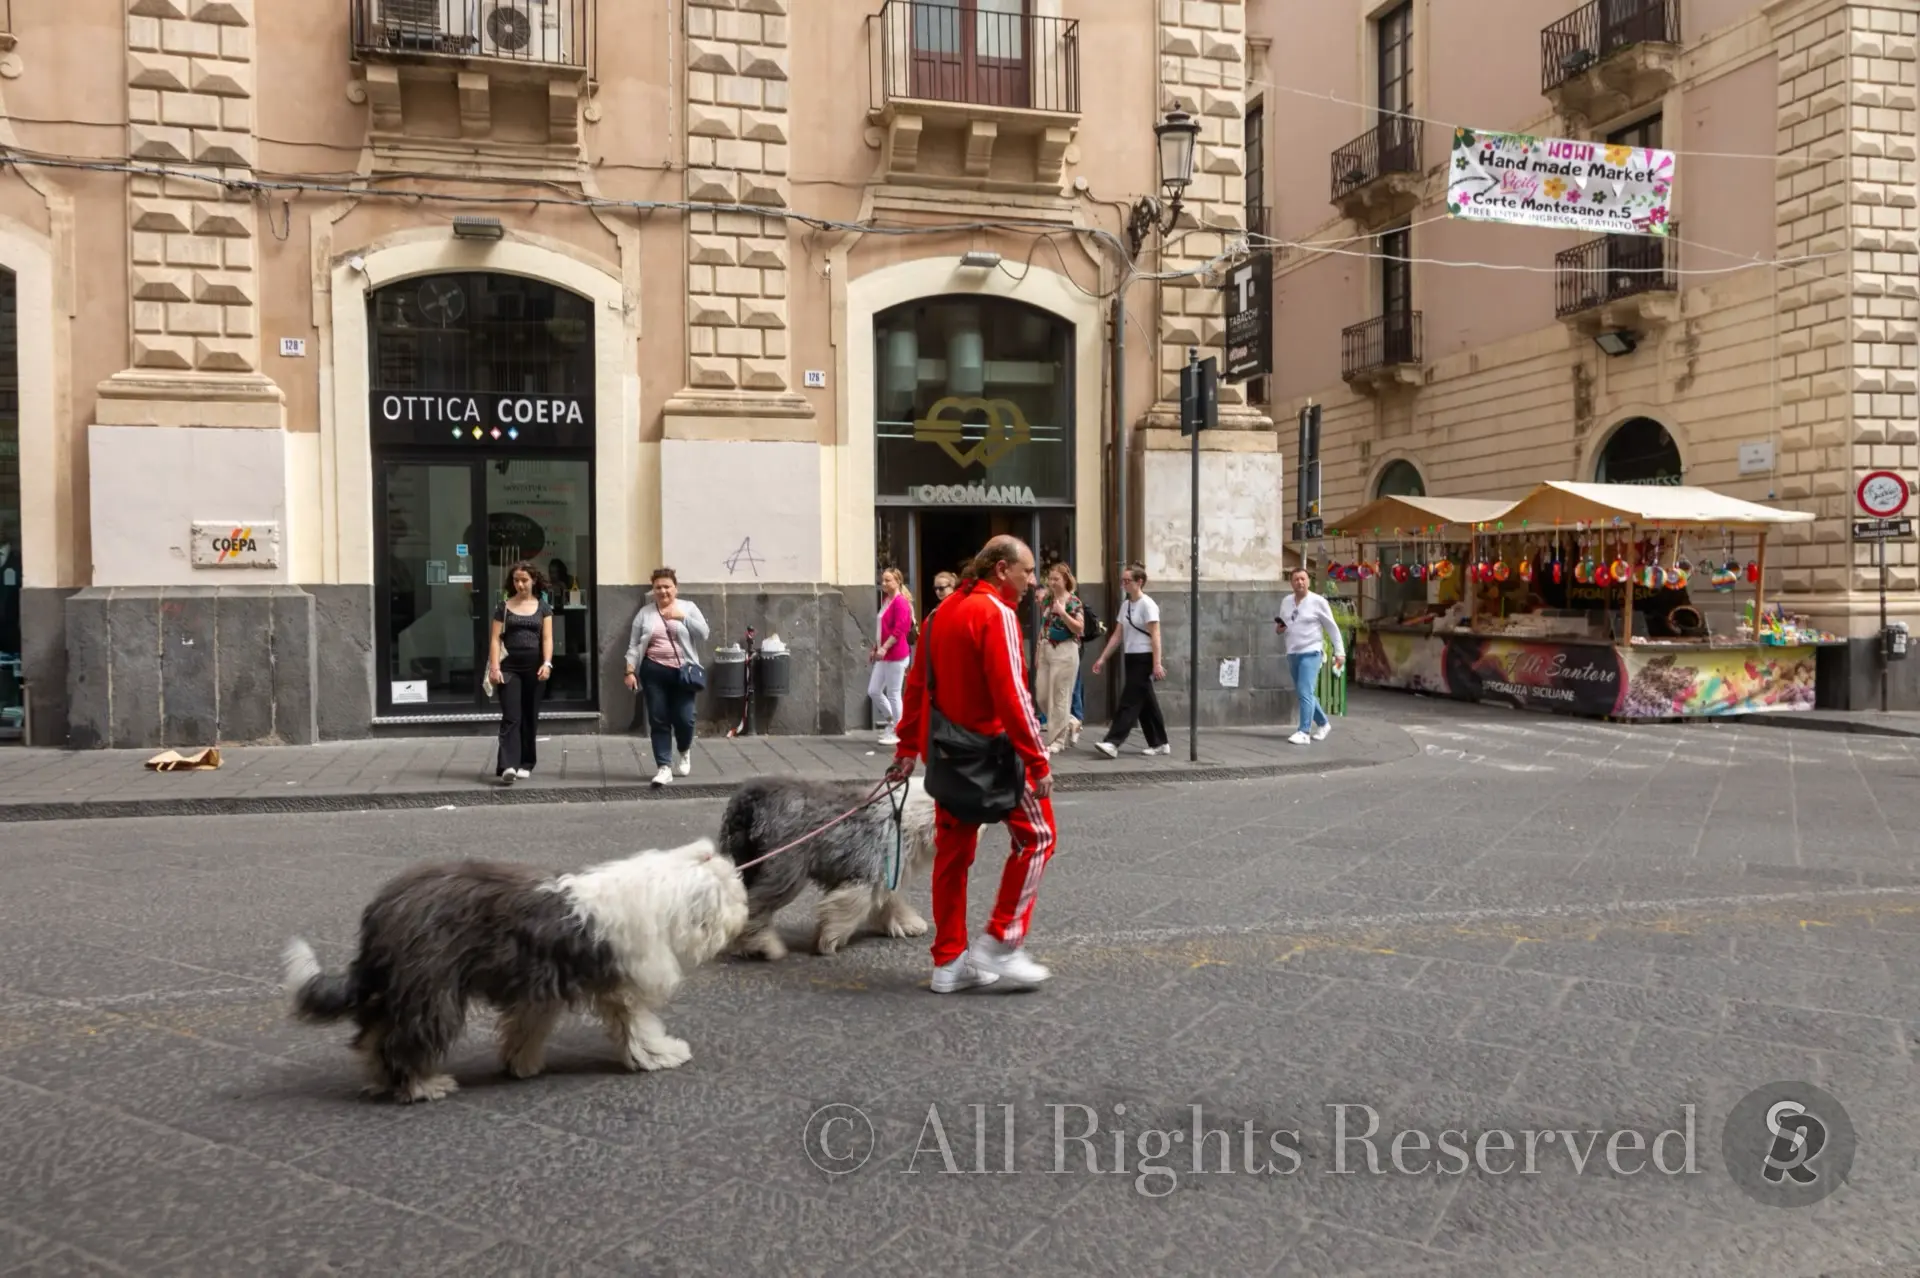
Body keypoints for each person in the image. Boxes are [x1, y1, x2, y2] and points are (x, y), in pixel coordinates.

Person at [887, 535, 1056, 994]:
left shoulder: (940, 614)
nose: (1031, 584)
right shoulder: (995, 613)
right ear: (1001, 570)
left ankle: (949, 962)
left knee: (953, 855)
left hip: (947, 754)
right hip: (996, 754)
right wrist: (1038, 761)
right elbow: (1014, 695)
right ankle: (1002, 940)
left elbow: (917, 687)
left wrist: (906, 749)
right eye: (1027, 573)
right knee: (1038, 837)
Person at [623, 567, 710, 787]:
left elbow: (704, 633)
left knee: (685, 718)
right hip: (653, 671)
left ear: (675, 588)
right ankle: (664, 767)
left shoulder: (688, 608)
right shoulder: (645, 613)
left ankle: (683, 749)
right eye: (658, 588)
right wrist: (630, 670)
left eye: (667, 587)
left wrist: (684, 618)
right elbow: (634, 644)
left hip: (684, 672)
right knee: (658, 718)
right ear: (653, 590)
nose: (662, 591)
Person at [1089, 561, 1168, 758]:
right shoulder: (1126, 605)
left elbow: (1156, 636)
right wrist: (1102, 658)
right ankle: (1160, 742)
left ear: (1139, 582)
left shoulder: (1148, 605)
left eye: (1127, 581)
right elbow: (1117, 635)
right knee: (1145, 702)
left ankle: (1112, 742)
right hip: (1131, 657)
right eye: (1122, 581)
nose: (1123, 584)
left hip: (1144, 658)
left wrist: (1157, 663)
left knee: (1130, 701)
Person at [488, 561, 553, 786]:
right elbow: (495, 639)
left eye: (524, 580)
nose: (520, 584)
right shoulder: (503, 607)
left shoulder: (543, 607)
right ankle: (508, 765)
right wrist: (495, 668)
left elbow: (547, 638)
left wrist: (547, 663)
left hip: (534, 668)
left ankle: (526, 762)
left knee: (529, 716)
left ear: (533, 580)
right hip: (509, 667)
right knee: (511, 716)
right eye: (516, 580)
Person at [1277, 566, 1346, 745]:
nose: (1300, 582)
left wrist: (1339, 651)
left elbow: (1331, 627)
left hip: (1311, 651)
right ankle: (1323, 723)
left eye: (1303, 579)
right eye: (1296, 579)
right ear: (1291, 583)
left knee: (1305, 690)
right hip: (1293, 651)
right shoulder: (1286, 602)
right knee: (1304, 692)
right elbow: (1284, 624)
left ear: (1308, 581)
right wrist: (1280, 628)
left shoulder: (1318, 601)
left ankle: (1304, 731)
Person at [1034, 562, 1084, 753]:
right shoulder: (1047, 599)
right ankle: (1071, 721)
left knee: (1061, 696)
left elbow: (1079, 628)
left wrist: (1062, 613)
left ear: (1065, 580)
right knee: (1042, 695)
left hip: (1066, 650)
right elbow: (1044, 626)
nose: (1052, 582)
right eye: (1050, 579)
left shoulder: (1074, 602)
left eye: (1056, 579)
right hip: (1047, 648)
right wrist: (1039, 651)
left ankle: (1057, 740)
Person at [868, 566, 914, 746]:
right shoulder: (887, 600)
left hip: (896, 654)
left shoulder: (901, 602)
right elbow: (883, 628)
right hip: (884, 654)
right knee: (873, 691)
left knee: (894, 693)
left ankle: (898, 729)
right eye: (883, 580)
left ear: (898, 581)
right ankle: (892, 721)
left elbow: (900, 629)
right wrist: (875, 647)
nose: (884, 583)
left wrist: (884, 648)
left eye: (888, 580)